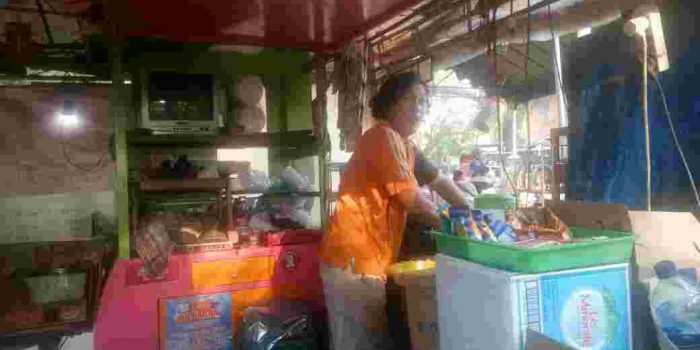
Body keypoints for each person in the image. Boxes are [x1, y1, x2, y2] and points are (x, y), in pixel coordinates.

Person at [319, 71, 441, 349]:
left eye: (423, 102)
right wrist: (451, 223)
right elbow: (412, 199)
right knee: (359, 343)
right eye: (410, 100)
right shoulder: (382, 136)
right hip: (354, 261)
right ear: (390, 103)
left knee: (371, 340)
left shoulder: (404, 146)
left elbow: (430, 184)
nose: (418, 108)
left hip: (368, 263)